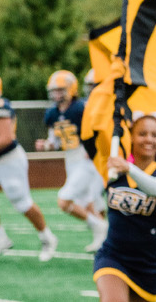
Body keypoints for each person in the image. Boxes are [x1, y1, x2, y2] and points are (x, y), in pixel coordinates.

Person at [0, 71, 58, 261]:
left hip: (9, 159)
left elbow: (6, 138)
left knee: (21, 202)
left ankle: (47, 237)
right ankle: (0, 239)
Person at [94, 115, 156, 302]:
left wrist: (129, 168)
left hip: (148, 264)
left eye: (155, 135)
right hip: (113, 256)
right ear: (131, 137)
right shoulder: (112, 169)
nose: (149, 139)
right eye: (142, 134)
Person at [37, 70, 108, 252]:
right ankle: (103, 238)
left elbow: (96, 131)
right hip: (71, 158)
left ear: (71, 89)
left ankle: (100, 227)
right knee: (87, 202)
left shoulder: (80, 108)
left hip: (86, 158)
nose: (56, 94)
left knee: (65, 200)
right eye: (54, 90)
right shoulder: (52, 112)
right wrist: (46, 144)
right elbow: (55, 139)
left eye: (60, 90)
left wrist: (92, 149)